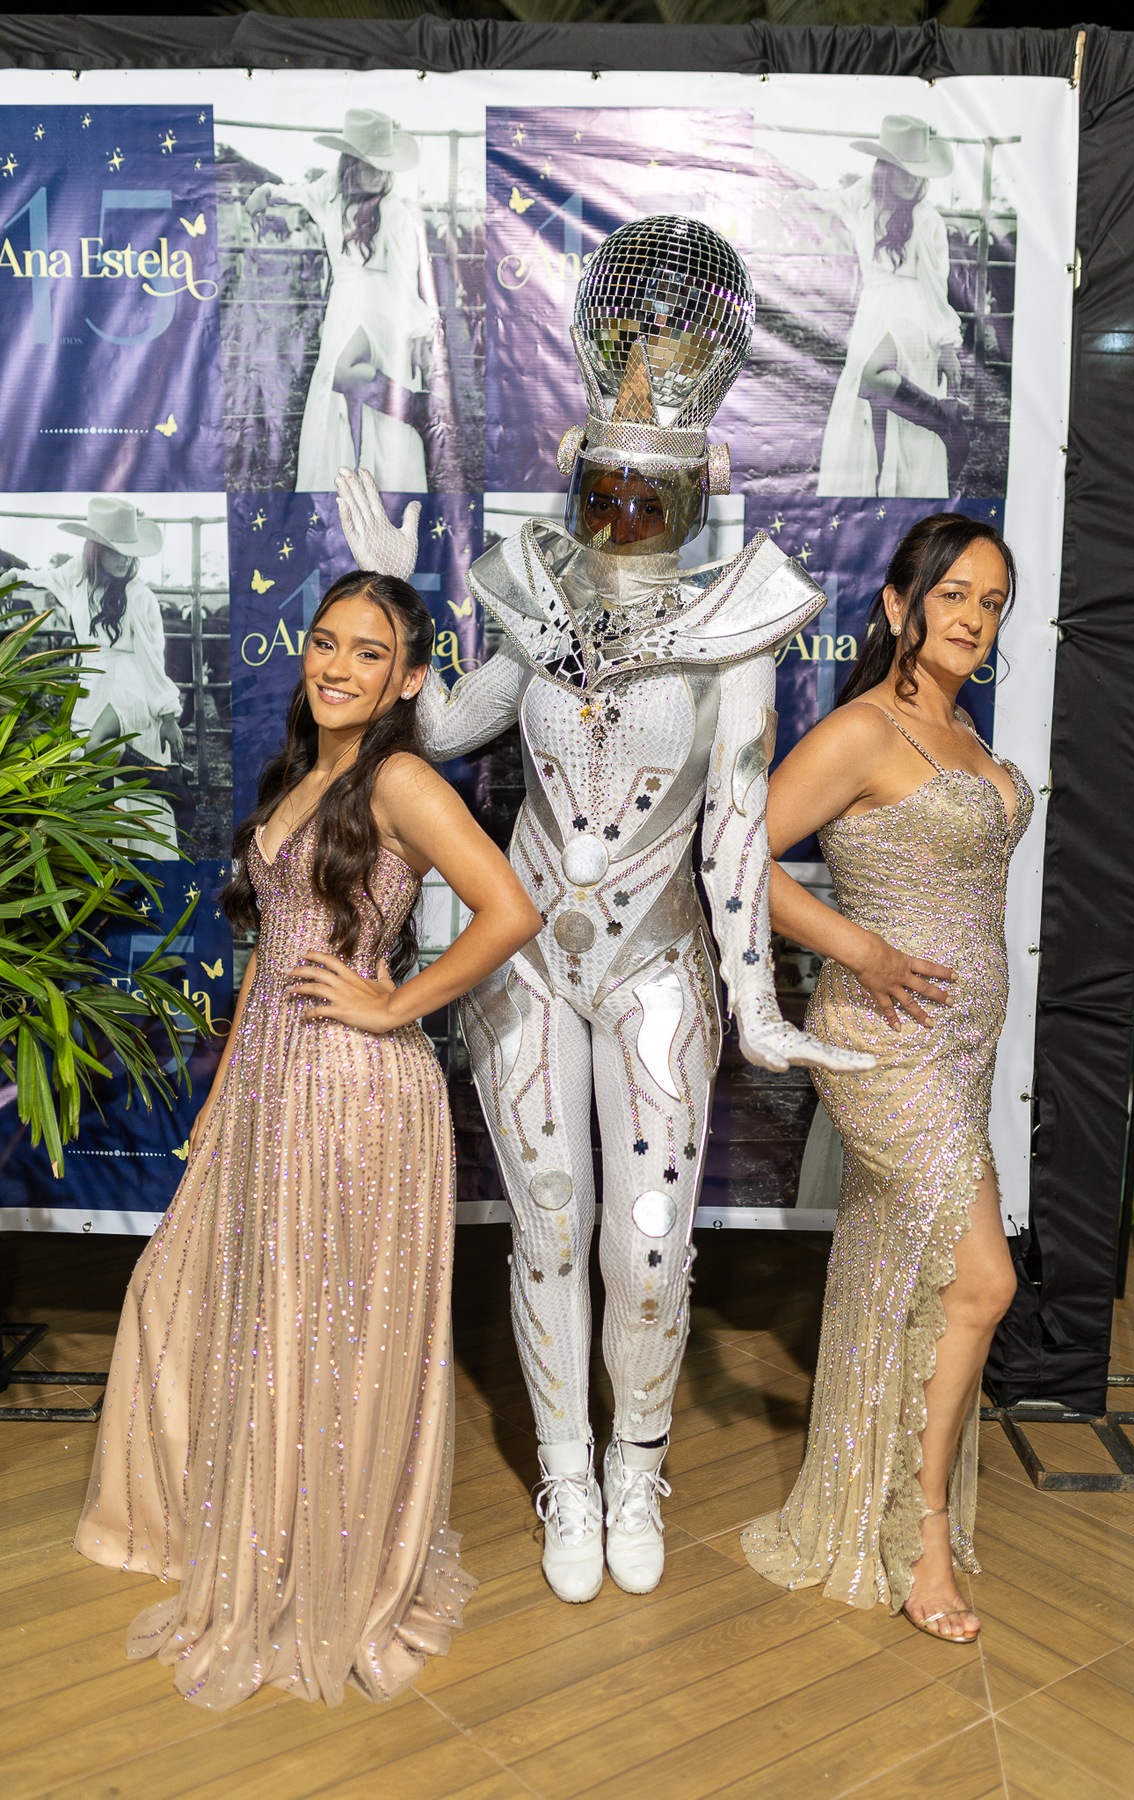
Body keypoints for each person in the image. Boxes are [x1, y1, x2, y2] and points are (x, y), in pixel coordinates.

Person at [336, 214, 873, 1611]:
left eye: (647, 499)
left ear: (690, 498)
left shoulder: (735, 628)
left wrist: (758, 1004)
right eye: (603, 494)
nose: (620, 518)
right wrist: (395, 600)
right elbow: (439, 733)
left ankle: (638, 1465)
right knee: (548, 1224)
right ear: (577, 485)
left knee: (644, 1241)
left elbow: (739, 828)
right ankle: (565, 1473)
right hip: (525, 966)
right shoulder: (533, 612)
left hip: (654, 970)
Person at [74, 570, 542, 1710]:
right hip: (269, 1083)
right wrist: (224, 1091)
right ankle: (230, 1523)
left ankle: (311, 1557)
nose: (337, 666)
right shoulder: (304, 772)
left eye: (368, 653)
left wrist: (392, 1004)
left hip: (351, 1090)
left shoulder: (402, 779)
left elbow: (513, 910)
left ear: (411, 678)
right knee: (196, 1293)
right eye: (326, 642)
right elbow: (273, 952)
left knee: (313, 1325)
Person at [741, 512, 1031, 1643]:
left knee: (906, 1271)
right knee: (983, 1282)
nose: (974, 618)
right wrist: (858, 948)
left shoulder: (961, 731)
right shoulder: (865, 730)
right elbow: (735, 857)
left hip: (963, 1049)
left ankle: (863, 1506)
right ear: (900, 605)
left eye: (992, 602)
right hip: (885, 1044)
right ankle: (922, 1537)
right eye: (954, 594)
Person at [244, 109, 437, 489]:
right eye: (370, 164)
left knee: (343, 372)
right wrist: (264, 191)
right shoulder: (329, 195)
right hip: (344, 302)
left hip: (382, 303)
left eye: (384, 166)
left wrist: (419, 333)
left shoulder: (393, 211)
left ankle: (416, 410)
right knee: (346, 403)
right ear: (351, 163)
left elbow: (406, 277)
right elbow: (295, 192)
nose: (379, 174)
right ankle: (355, 480)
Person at [8, 496, 183, 856]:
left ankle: (153, 787)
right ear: (96, 550)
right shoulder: (76, 578)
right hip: (93, 679)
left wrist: (167, 714)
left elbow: (153, 658)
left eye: (128, 551)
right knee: (84, 756)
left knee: (93, 744)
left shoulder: (139, 596)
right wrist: (15, 577)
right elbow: (43, 578)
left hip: (131, 682)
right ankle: (107, 836)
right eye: (115, 550)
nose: (124, 559)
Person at [812, 115, 968, 499]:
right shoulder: (865, 201)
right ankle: (879, 493)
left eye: (918, 172)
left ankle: (942, 417)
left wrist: (947, 343)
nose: (913, 180)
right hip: (874, 309)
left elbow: (936, 283)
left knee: (872, 376)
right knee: (871, 414)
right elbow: (830, 202)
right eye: (903, 169)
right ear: (885, 168)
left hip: (913, 312)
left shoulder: (926, 218)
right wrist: (795, 196)